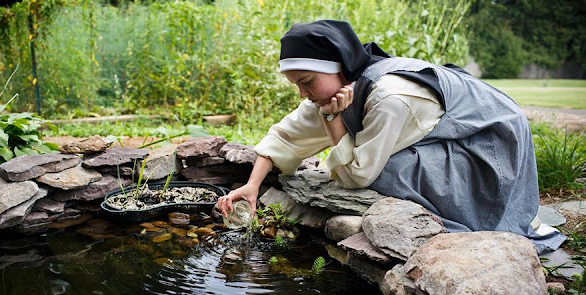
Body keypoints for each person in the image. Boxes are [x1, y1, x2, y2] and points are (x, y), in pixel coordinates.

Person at [216, 20, 564, 253]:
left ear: (336, 66)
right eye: (297, 85)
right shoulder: (339, 88)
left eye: (307, 82)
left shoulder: (389, 97)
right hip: (453, 135)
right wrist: (252, 186)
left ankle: (485, 212)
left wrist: (334, 120)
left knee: (390, 169)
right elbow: (286, 136)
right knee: (373, 158)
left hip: (487, 145)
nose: (303, 93)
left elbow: (357, 176)